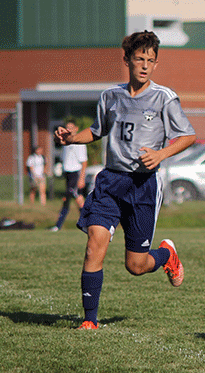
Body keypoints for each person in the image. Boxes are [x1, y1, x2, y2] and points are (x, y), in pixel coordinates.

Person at [54, 30, 196, 330]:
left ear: (156, 64)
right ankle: (89, 321)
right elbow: (96, 130)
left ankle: (167, 254)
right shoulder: (110, 96)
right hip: (110, 182)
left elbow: (188, 136)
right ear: (127, 60)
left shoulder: (164, 98)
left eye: (151, 60)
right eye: (139, 59)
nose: (145, 65)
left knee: (136, 265)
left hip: (143, 186)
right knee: (95, 244)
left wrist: (160, 154)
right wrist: (71, 139)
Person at [49, 118, 88, 231]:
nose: (69, 130)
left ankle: (59, 225)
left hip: (75, 174)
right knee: (74, 199)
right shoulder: (66, 143)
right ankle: (84, 223)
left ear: (76, 129)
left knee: (72, 199)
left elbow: (84, 162)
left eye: (71, 127)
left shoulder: (79, 143)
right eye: (67, 128)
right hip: (68, 174)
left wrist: (81, 178)